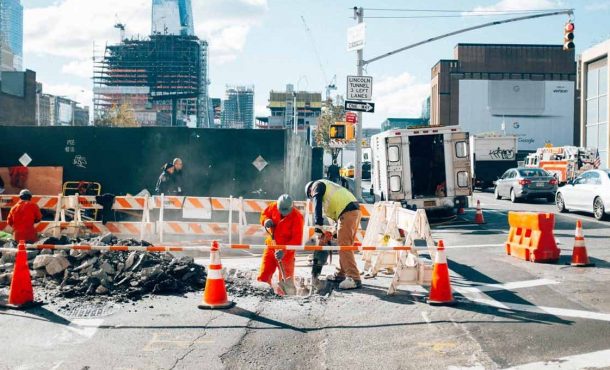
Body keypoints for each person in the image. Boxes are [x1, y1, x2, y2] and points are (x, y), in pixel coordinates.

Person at [305, 179, 362, 290]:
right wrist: (334, 231)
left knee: (344, 245)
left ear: (310, 191)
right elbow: (337, 212)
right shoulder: (329, 189)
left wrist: (318, 225)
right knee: (344, 244)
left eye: (311, 196)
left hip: (347, 211)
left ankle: (354, 278)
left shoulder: (317, 185)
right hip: (352, 211)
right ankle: (341, 274)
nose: (312, 198)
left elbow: (317, 203)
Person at [257, 194, 304, 285]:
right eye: (281, 210)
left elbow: (297, 240)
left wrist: (283, 251)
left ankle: (285, 296)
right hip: (271, 247)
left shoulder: (297, 217)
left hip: (286, 253)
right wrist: (265, 220)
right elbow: (264, 214)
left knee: (287, 281)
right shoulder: (273, 206)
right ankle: (264, 292)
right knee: (263, 276)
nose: (283, 213)